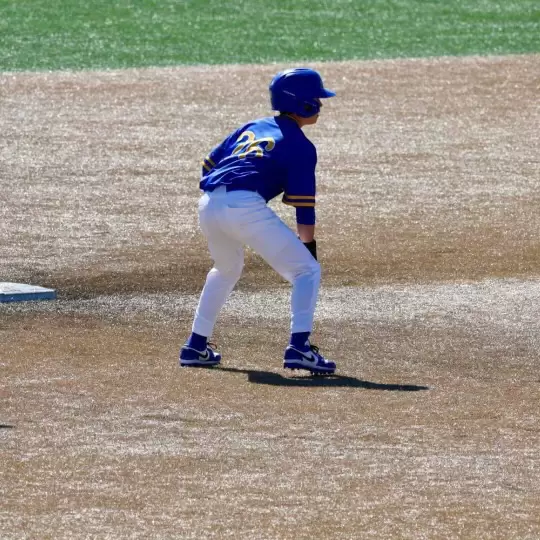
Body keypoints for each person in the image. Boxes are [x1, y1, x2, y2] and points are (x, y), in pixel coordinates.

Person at [180, 67, 336, 375]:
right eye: (316, 98)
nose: (320, 103)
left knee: (226, 269)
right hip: (244, 206)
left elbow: (209, 164)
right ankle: (299, 348)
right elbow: (304, 209)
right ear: (303, 103)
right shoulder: (301, 146)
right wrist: (309, 250)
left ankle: (195, 346)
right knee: (306, 271)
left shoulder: (252, 126)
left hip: (209, 203)